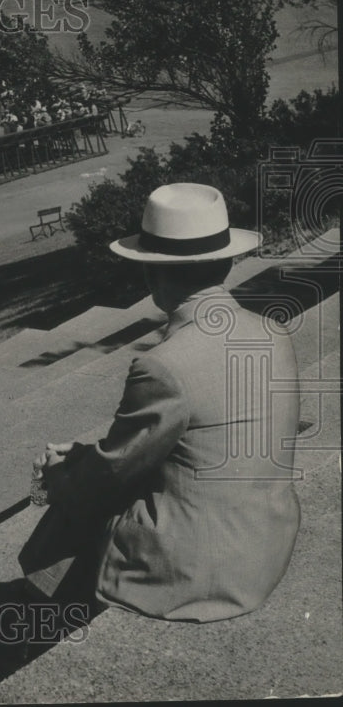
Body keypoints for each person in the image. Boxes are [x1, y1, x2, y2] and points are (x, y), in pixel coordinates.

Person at [25, 183, 300, 623]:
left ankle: (38, 626)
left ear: (153, 274)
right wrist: (81, 458)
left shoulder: (163, 365)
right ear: (227, 262)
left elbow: (113, 471)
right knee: (85, 477)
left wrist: (57, 477)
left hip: (202, 569)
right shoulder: (273, 331)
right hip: (267, 539)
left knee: (74, 499)